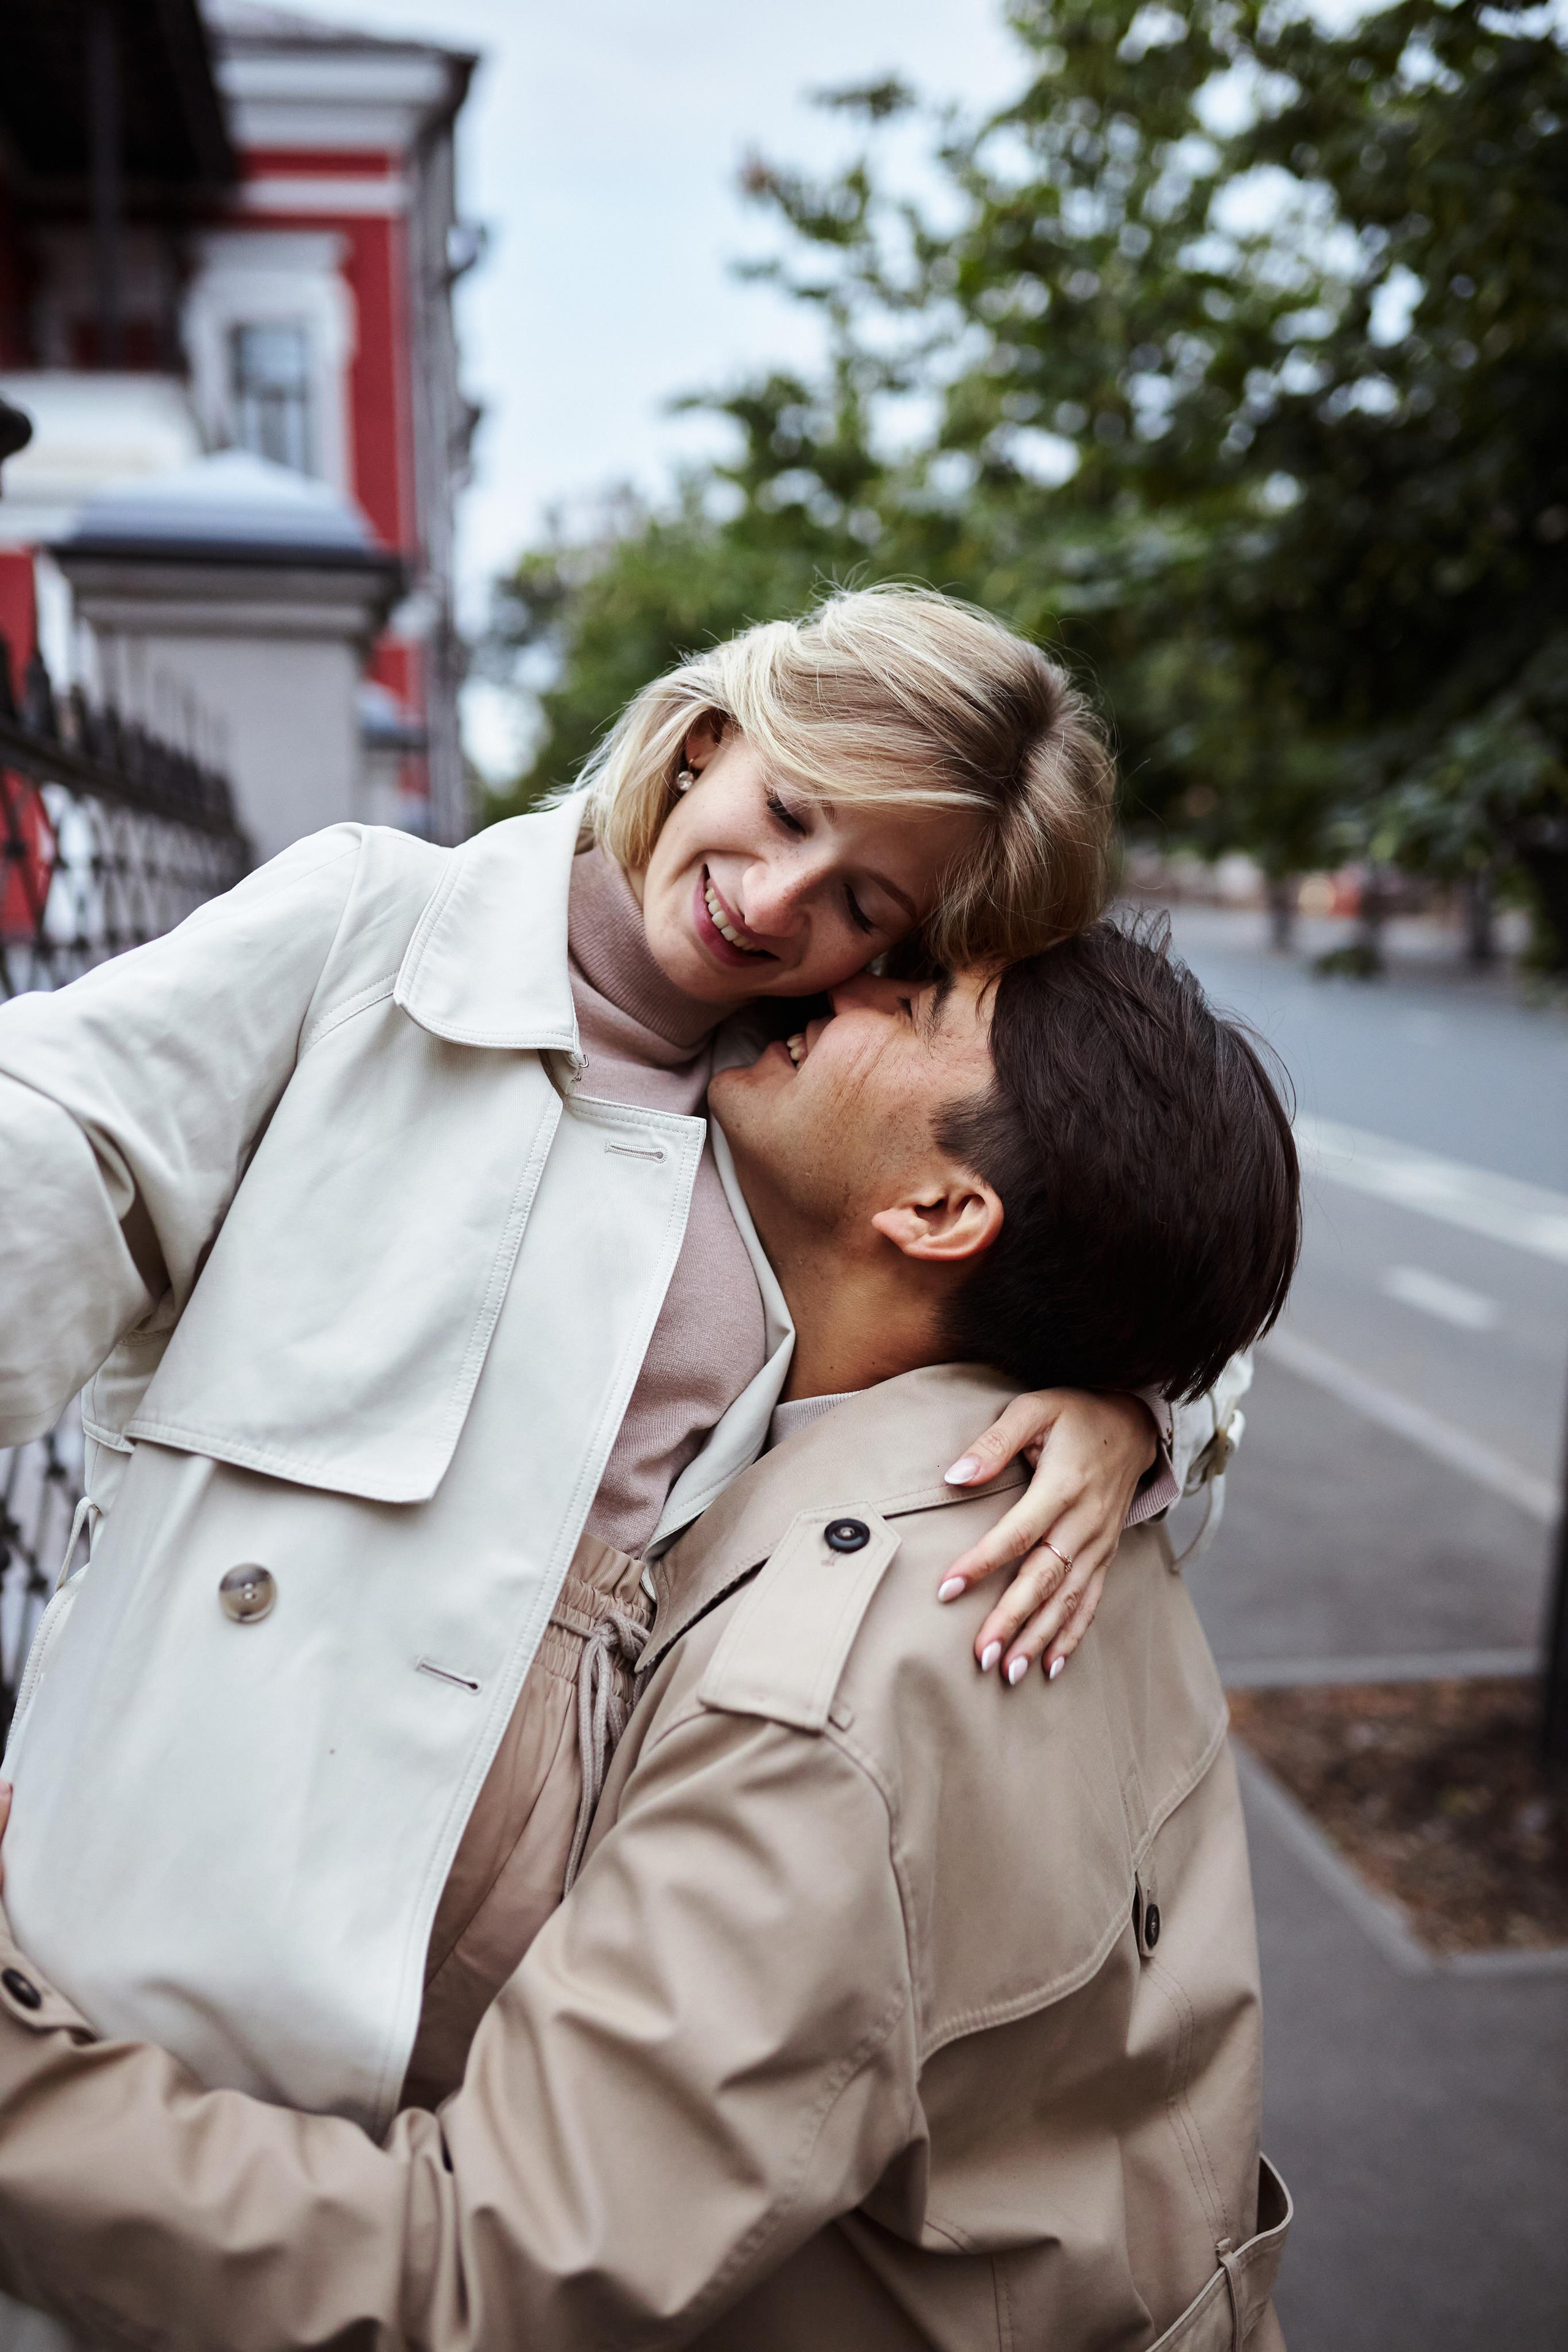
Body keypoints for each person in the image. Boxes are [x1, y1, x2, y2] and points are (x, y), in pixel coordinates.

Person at [0, 587, 1236, 2147]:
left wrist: (1138, 1405)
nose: (777, 901)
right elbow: (56, 1153)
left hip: (543, 1990)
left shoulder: (795, 1110)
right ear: (708, 740)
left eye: (863, 904)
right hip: (182, 1885)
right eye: (784, 811)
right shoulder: (373, 930)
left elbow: (1123, 1217)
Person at [0, 919, 1298, 2351]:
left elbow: (491, 2282)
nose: (841, 977)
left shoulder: (826, 1689)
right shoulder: (1091, 1528)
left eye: (913, 998)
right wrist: (1145, 1411)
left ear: (939, 1215)